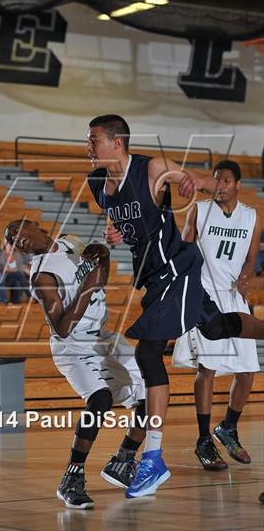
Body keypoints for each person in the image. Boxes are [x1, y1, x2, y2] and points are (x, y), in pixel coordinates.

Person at [85, 114, 264, 498]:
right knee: (215, 328)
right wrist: (114, 233)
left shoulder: (150, 168)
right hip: (154, 277)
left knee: (149, 356)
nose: (88, 144)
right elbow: (122, 223)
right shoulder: (97, 182)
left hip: (177, 270)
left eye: (94, 138)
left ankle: (150, 458)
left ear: (117, 143)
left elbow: (202, 182)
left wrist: (193, 182)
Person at [5, 220, 147, 509]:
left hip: (103, 338)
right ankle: (72, 477)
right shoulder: (42, 275)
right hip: (74, 348)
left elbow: (100, 278)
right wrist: (87, 287)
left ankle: (123, 460)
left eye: (18, 232)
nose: (18, 241)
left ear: (33, 225)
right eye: (13, 241)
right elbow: (62, 327)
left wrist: (104, 258)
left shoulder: (71, 241)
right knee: (100, 400)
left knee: (153, 394)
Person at [173, 160, 260, 470]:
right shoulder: (199, 209)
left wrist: (246, 276)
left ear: (237, 184)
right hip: (205, 295)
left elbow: (251, 260)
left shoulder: (250, 216)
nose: (220, 185)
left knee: (248, 370)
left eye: (226, 180)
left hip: (235, 298)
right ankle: (203, 438)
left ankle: (229, 427)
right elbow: (183, 250)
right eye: (216, 180)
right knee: (207, 368)